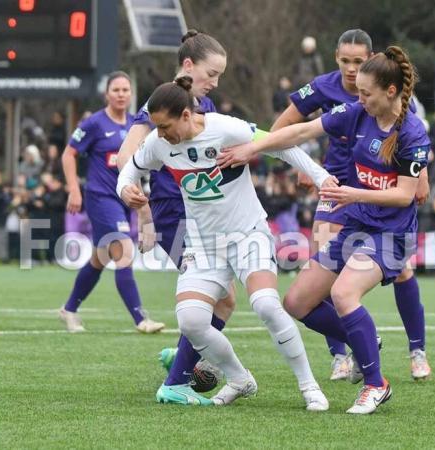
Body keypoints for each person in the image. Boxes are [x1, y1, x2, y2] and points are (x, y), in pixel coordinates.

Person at [218, 46, 430, 414]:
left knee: (345, 294)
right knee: (297, 302)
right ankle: (364, 341)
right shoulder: (356, 113)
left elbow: (405, 196)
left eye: (366, 93)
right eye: (358, 93)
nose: (359, 99)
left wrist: (353, 193)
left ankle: (376, 384)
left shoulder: (412, 132)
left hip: (391, 234)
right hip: (357, 223)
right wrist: (253, 148)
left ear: (391, 92)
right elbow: (301, 130)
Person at [118, 77, 333, 410]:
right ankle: (239, 378)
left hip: (248, 234)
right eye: (156, 128)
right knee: (191, 321)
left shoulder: (225, 128)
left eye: (165, 126)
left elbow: (280, 144)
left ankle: (309, 386)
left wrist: (321, 178)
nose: (160, 134)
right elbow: (129, 171)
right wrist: (127, 191)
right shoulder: (158, 143)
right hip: (203, 245)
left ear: (187, 115)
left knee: (265, 303)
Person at [272, 29, 431, 383]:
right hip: (335, 187)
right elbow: (288, 128)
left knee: (399, 270)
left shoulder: (395, 99)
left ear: (373, 62)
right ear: (335, 58)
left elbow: (415, 151)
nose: (350, 68)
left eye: (358, 62)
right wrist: (299, 164)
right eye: (345, 61)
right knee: (319, 281)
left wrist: (422, 178)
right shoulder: (325, 88)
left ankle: (416, 349)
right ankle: (342, 355)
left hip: (376, 198)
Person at [116, 30, 234, 405]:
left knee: (222, 299)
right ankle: (176, 380)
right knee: (220, 298)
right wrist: (143, 209)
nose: (215, 82)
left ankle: (185, 357)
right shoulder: (162, 103)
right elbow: (127, 158)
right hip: (173, 212)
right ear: (188, 65)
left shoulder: (205, 107)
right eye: (211, 73)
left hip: (201, 214)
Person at [59, 71, 164, 333]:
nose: (121, 94)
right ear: (107, 93)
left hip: (123, 199)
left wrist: (141, 203)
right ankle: (141, 319)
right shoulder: (94, 123)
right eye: (116, 90)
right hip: (100, 197)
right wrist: (74, 189)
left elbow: (136, 167)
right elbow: (69, 154)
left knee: (100, 258)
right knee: (124, 250)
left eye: (125, 90)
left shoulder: (136, 125)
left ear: (131, 94)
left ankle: (69, 309)